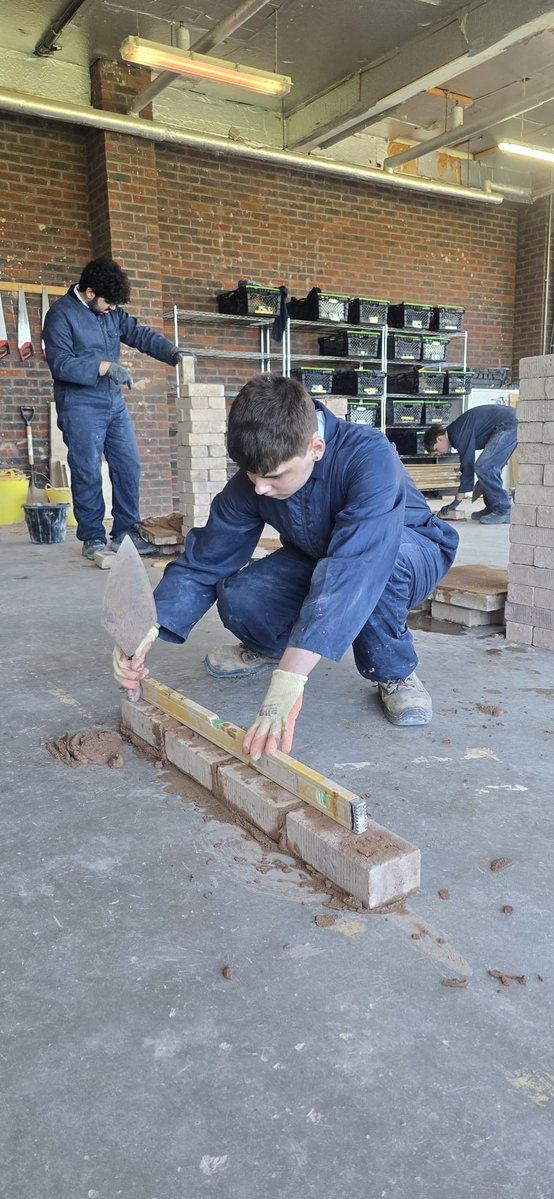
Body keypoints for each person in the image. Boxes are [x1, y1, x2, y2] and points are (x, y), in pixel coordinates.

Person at [114, 374, 459, 762]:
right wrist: (148, 628)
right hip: (318, 554)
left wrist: (290, 681)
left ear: (316, 447)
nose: (260, 488)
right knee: (240, 595)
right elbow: (207, 557)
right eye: (252, 475)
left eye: (274, 476)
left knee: (380, 567)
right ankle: (271, 649)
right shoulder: (260, 472)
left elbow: (358, 566)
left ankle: (393, 671)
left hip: (405, 551)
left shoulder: (369, 456)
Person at [43, 256, 188, 559]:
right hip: (80, 405)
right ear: (90, 292)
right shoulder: (60, 315)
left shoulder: (111, 313)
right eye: (108, 303)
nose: (111, 309)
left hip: (113, 403)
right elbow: (61, 364)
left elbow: (139, 334)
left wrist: (172, 352)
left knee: (128, 465)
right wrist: (104, 367)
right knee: (87, 471)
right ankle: (93, 537)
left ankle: (124, 533)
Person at [424, 403, 517, 524]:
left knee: (484, 467)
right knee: (486, 468)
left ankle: (504, 510)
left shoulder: (457, 433)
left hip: (509, 424)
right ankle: (492, 507)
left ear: (439, 439)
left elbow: (467, 465)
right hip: (508, 423)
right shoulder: (455, 432)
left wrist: (456, 501)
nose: (438, 454)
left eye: (436, 450)